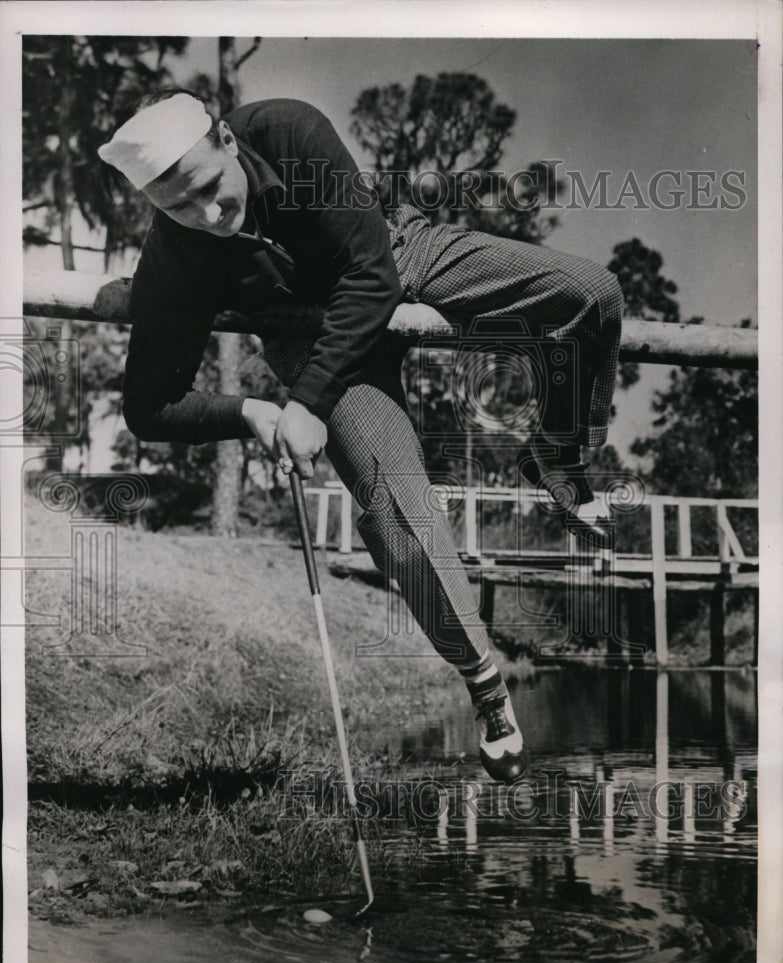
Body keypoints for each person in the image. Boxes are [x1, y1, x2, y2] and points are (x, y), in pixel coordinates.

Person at [99, 89, 624, 785]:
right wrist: (253, 412)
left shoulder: (288, 131)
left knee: (591, 294)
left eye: (207, 189)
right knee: (397, 508)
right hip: (307, 336)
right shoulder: (177, 253)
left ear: (227, 140)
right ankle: (486, 686)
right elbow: (148, 407)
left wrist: (307, 403)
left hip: (392, 256)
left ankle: (556, 458)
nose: (208, 217)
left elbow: (370, 272)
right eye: (178, 209)